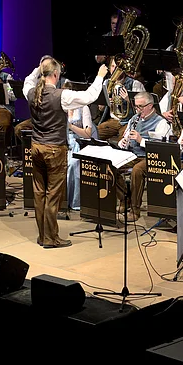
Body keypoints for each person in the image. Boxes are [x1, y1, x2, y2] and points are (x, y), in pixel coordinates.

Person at [23, 57, 107, 248]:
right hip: (54, 149)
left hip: (36, 147)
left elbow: (28, 81)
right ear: (55, 74)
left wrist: (37, 69)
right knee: (53, 195)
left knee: (39, 193)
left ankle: (43, 235)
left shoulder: (31, 92)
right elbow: (89, 97)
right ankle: (50, 238)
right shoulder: (61, 95)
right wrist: (100, 76)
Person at [115, 92, 171, 221]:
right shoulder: (134, 119)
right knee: (111, 167)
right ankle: (125, 199)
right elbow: (125, 136)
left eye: (141, 106)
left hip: (151, 157)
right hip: (133, 155)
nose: (138, 110)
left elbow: (161, 147)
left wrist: (141, 140)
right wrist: (123, 142)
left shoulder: (161, 122)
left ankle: (135, 210)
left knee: (137, 171)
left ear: (150, 106)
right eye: (136, 106)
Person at [64, 80, 98, 211]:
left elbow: (88, 134)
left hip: (79, 143)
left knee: (72, 165)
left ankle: (73, 201)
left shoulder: (83, 108)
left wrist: (71, 126)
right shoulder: (62, 107)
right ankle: (60, 202)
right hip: (63, 141)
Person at [97, 54, 145, 144]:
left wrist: (129, 99)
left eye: (118, 67)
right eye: (112, 66)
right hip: (113, 121)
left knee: (124, 141)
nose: (115, 69)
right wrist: (106, 101)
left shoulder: (135, 84)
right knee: (95, 133)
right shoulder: (106, 83)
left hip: (128, 121)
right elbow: (101, 108)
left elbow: (143, 109)